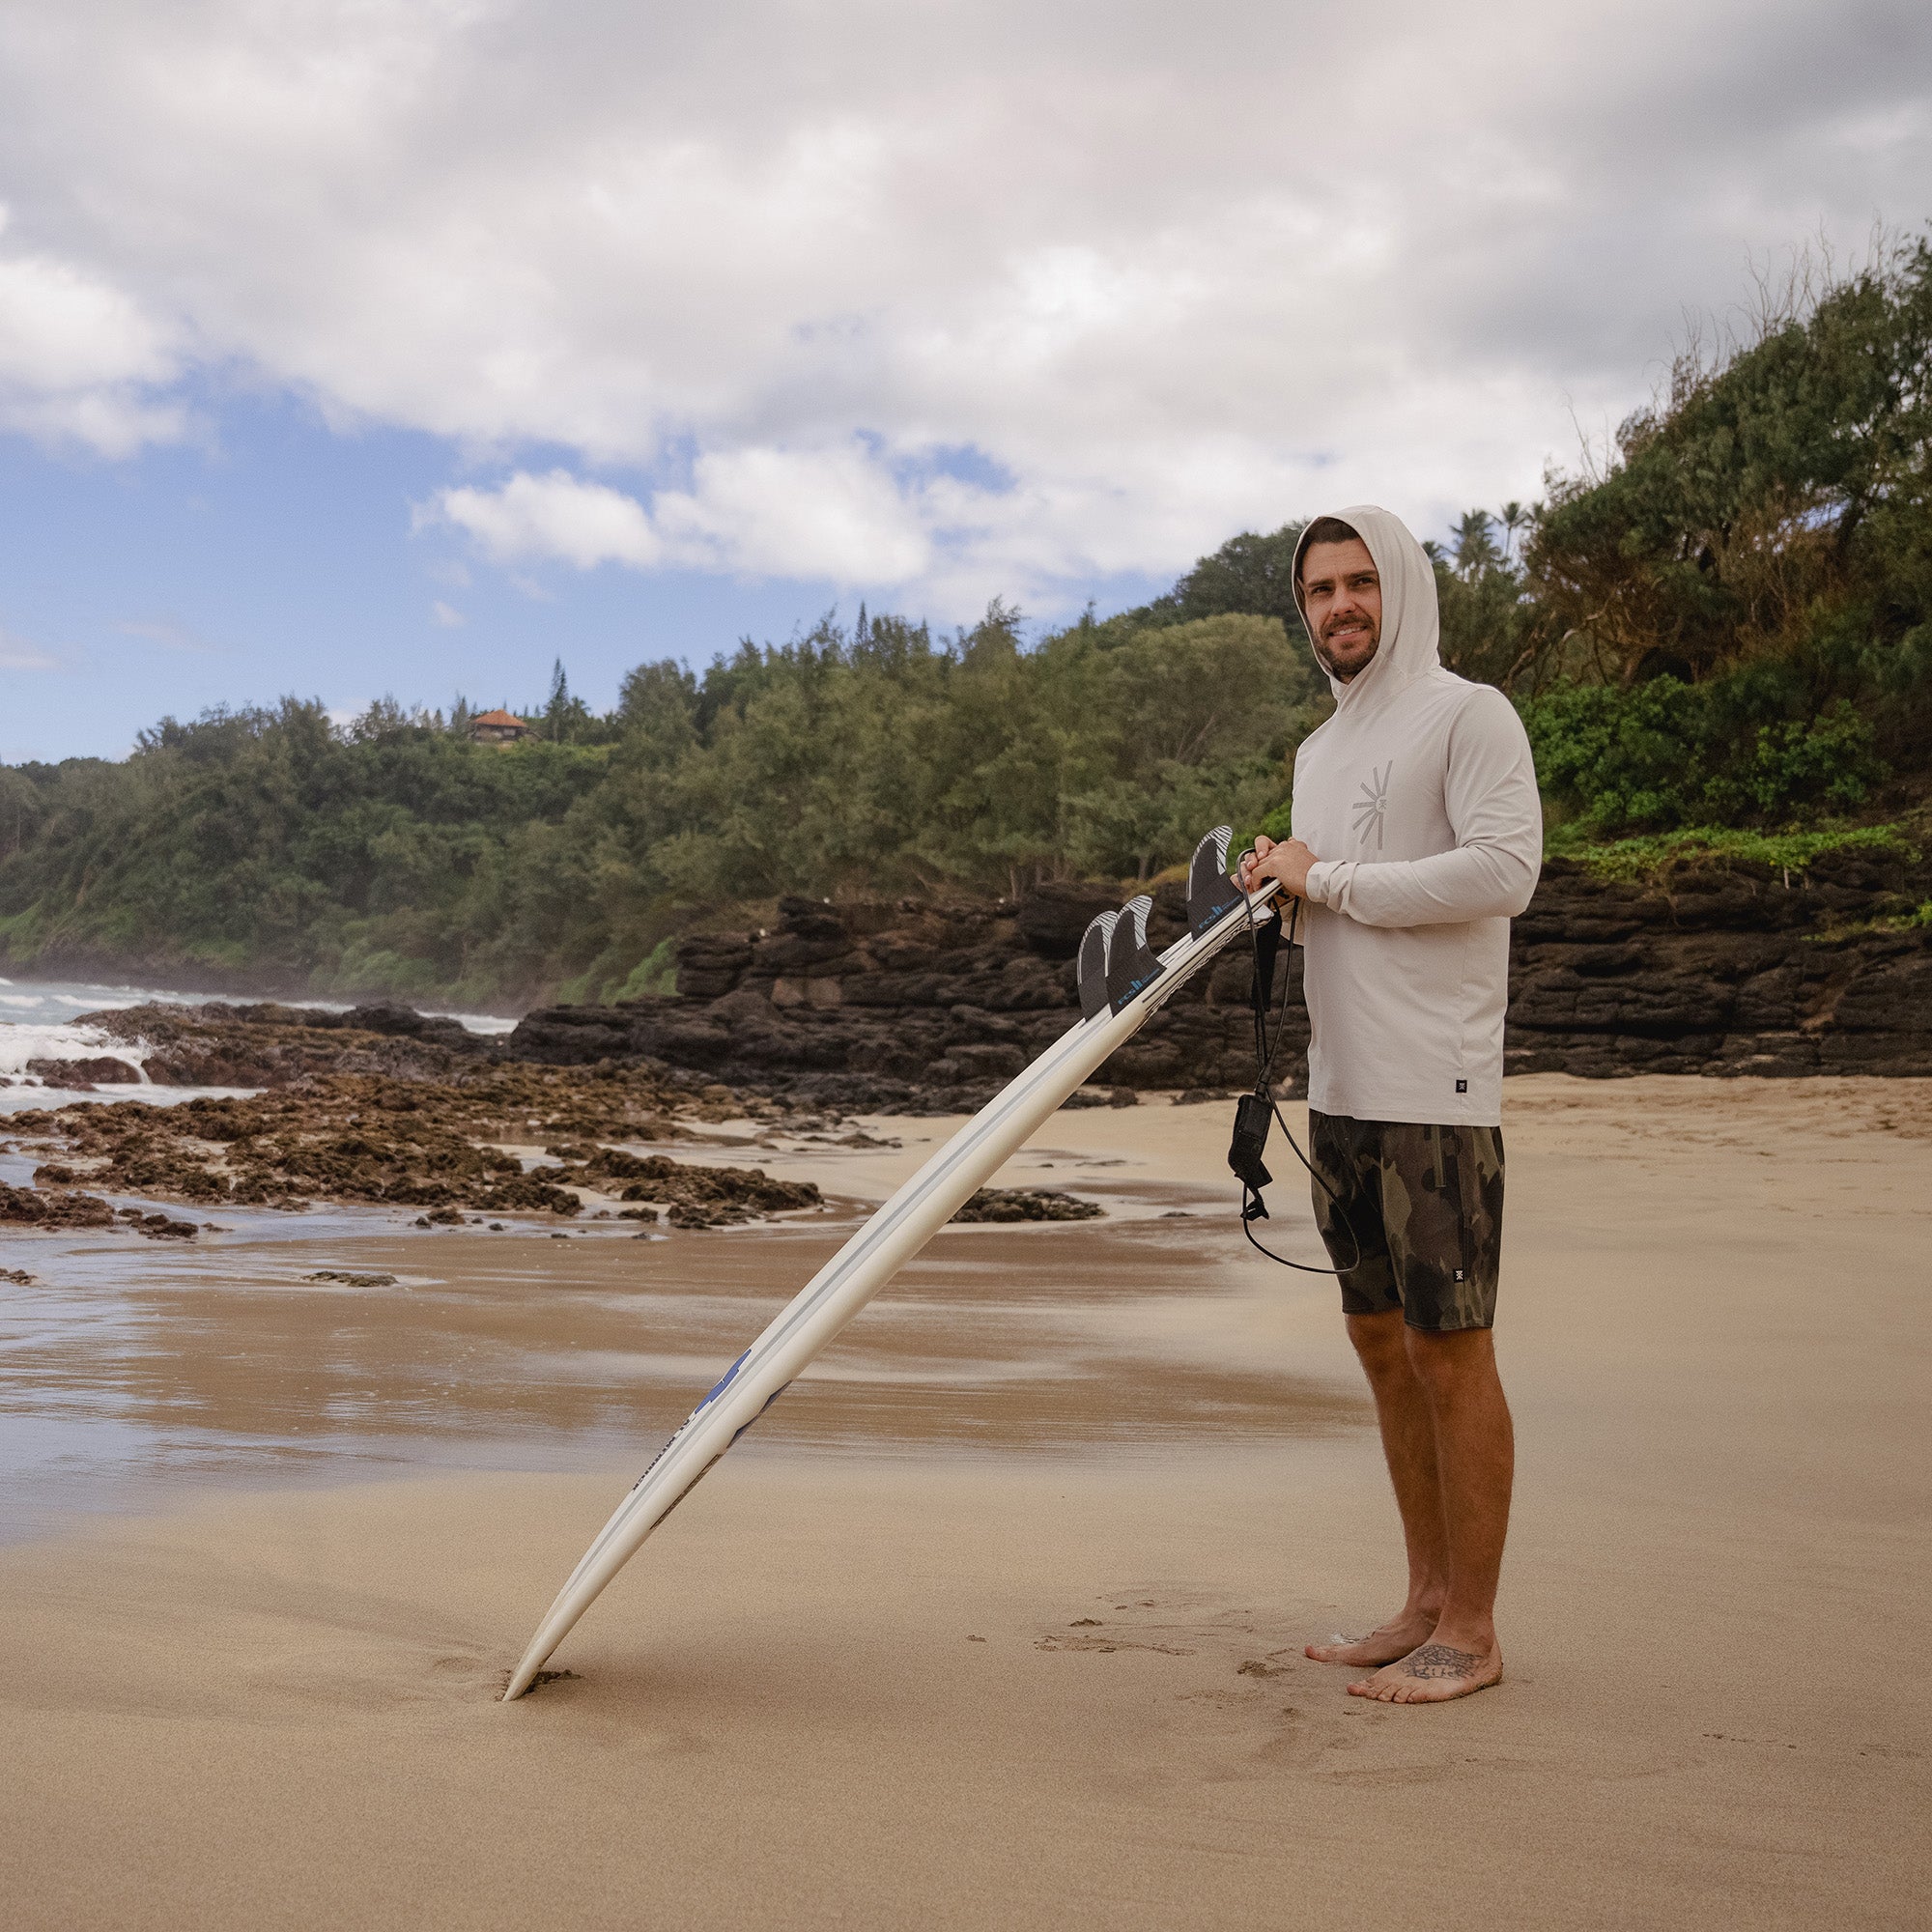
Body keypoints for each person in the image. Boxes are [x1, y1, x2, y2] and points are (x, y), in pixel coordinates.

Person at [1237, 505, 1541, 1704]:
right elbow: (1341, 897)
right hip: (1343, 1086)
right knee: (1377, 1344)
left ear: (1399, 587)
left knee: (1448, 1348)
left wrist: (1333, 878)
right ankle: (1419, 1598)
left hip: (1436, 1087)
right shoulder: (1321, 750)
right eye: (1316, 590)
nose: (1338, 607)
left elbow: (1502, 869)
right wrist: (1286, 888)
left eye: (1359, 582)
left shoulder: (1468, 714)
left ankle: (1471, 1626)